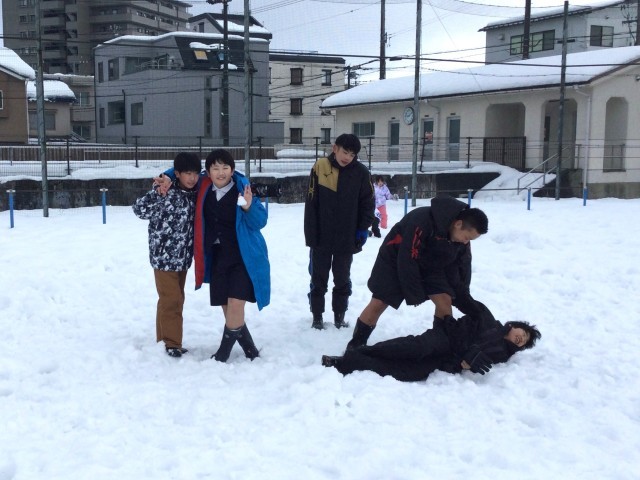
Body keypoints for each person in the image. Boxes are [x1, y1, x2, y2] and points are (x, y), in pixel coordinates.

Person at [157, 149, 270, 362]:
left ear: (232, 170)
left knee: (236, 304)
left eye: (225, 167)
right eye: (215, 168)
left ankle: (222, 354)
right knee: (228, 308)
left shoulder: (242, 189)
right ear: (207, 172)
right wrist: (169, 176)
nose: (221, 172)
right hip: (217, 256)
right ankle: (250, 349)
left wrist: (248, 207)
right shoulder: (203, 186)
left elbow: (260, 222)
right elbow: (183, 171)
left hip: (243, 257)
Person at [346, 195, 489, 350]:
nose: (466, 242)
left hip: (430, 265)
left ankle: (440, 344)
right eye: (467, 237)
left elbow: (463, 265)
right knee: (379, 302)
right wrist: (414, 293)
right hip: (394, 259)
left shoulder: (460, 240)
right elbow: (407, 258)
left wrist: (463, 294)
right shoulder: (422, 220)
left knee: (445, 300)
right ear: (458, 224)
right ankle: (356, 345)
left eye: (470, 240)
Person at [322, 303, 541, 382]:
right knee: (412, 348)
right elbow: (461, 313)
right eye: (524, 333)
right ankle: (361, 351)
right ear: (513, 325)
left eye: (524, 342)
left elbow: (470, 364)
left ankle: (348, 363)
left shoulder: (500, 356)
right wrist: (468, 350)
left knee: (406, 372)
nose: (522, 339)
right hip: (444, 339)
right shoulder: (486, 317)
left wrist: (464, 364)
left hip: (447, 360)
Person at [132, 152, 201, 358]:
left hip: (183, 259)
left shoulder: (195, 194)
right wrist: (158, 191)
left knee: (172, 299)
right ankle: (172, 343)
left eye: (195, 173)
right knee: (172, 300)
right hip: (163, 258)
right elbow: (139, 210)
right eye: (187, 173)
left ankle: (163, 338)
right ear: (177, 173)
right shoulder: (164, 191)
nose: (192, 178)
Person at [304, 133, 376, 330]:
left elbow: (368, 203)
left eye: (352, 155)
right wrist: (311, 235)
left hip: (347, 237)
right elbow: (311, 203)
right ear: (335, 148)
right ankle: (317, 316)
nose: (347, 157)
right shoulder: (320, 167)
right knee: (318, 278)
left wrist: (363, 228)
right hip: (321, 237)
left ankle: (339, 316)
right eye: (345, 152)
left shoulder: (361, 173)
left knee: (342, 279)